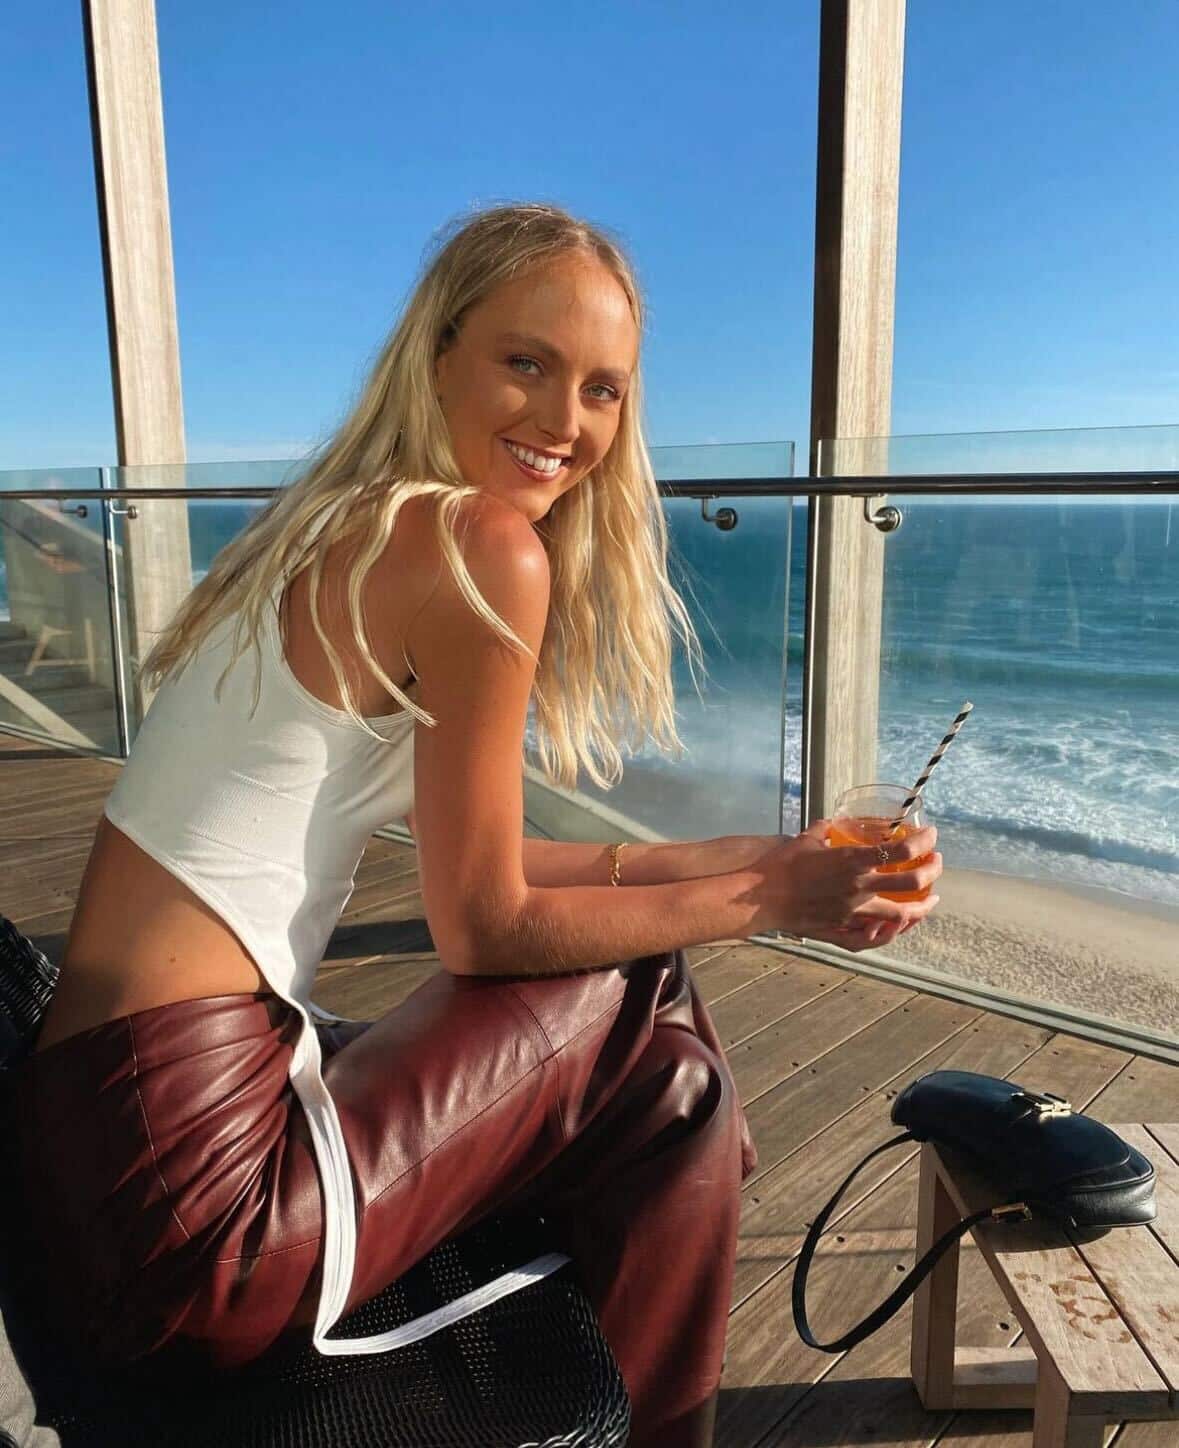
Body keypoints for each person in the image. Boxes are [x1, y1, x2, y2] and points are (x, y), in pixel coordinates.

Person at [6, 202, 941, 1447]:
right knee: (649, 1039)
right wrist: (778, 903)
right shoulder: (475, 542)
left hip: (93, 1167)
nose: (566, 423)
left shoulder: (342, 527)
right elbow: (489, 921)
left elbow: (496, 860)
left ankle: (672, 1209)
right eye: (527, 362)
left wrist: (764, 857)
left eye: (603, 389)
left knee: (668, 1079)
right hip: (196, 1212)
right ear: (437, 352)